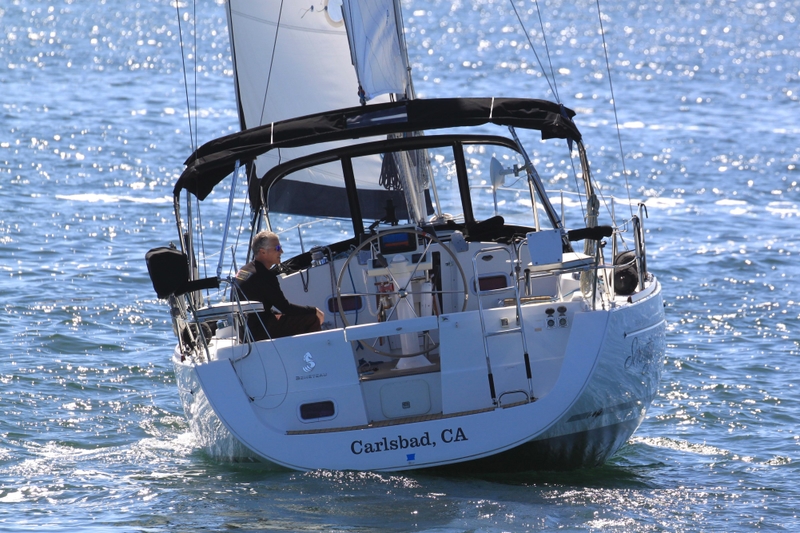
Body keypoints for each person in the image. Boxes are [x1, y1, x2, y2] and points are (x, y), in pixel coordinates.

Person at [234, 231, 324, 340]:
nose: (281, 251)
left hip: (243, 331)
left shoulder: (243, 270)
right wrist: (314, 311)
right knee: (312, 318)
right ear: (263, 252)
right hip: (258, 332)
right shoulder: (265, 276)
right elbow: (286, 308)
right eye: (277, 248)